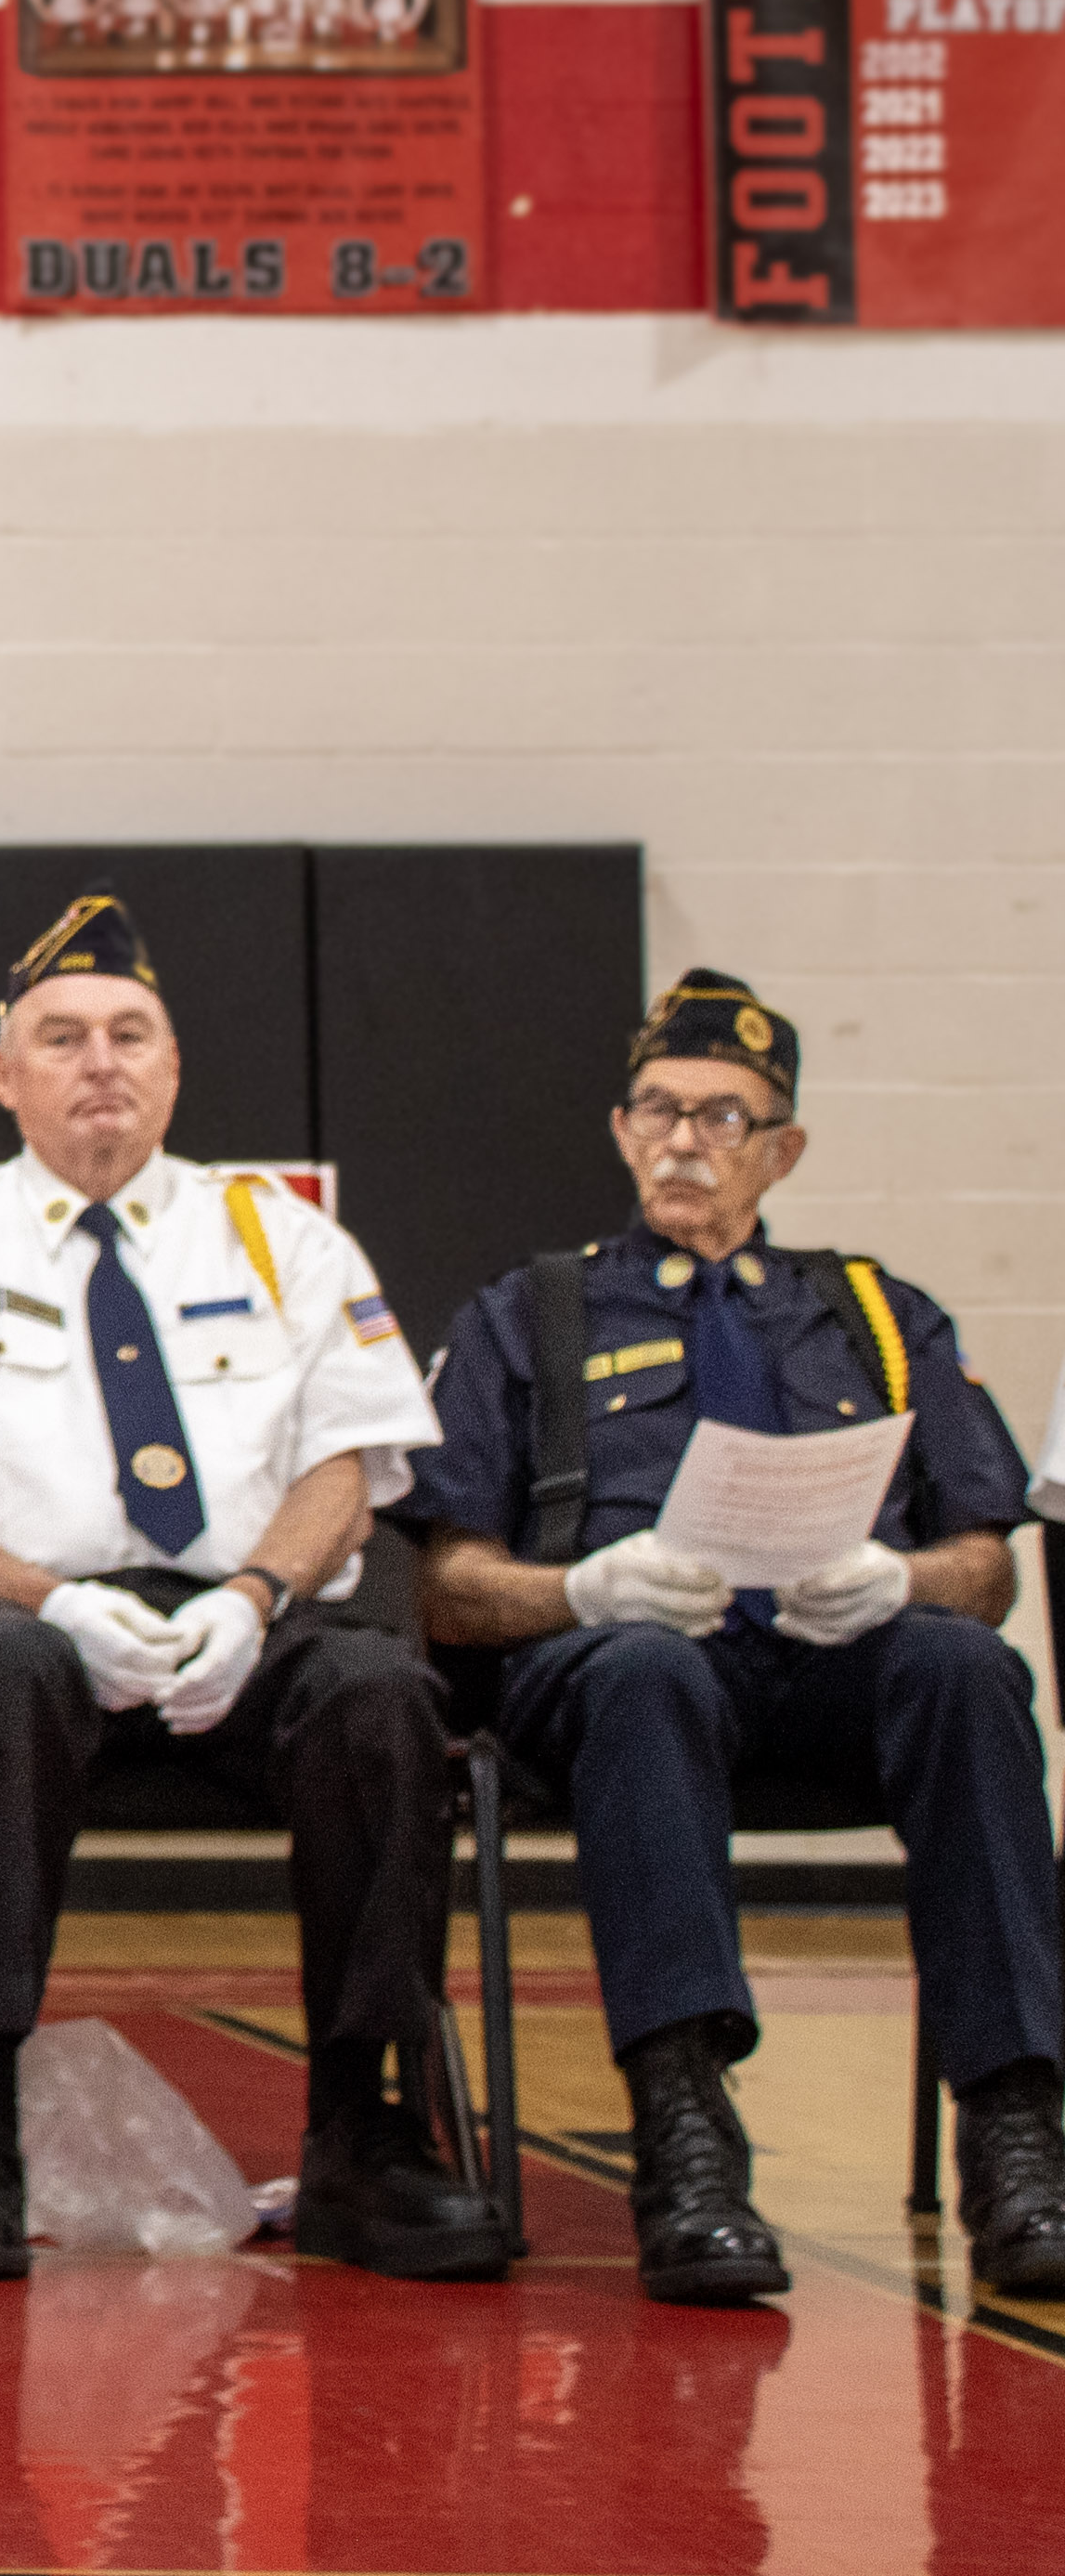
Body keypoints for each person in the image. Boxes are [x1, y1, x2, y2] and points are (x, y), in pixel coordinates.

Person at [0, 894, 503, 2281]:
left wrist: (258, 1597)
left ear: (172, 1066)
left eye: (129, 1033)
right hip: (8, 1622)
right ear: (7, 1076)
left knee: (378, 1694)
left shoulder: (283, 1239)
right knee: (6, 1669)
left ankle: (364, 2126)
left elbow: (349, 1465)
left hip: (239, 1626)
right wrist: (53, 1601)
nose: (99, 1059)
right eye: (62, 1036)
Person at [413, 970, 1060, 2307]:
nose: (684, 1141)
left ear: (784, 1149)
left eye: (723, 1116)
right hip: (621, 1662)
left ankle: (1014, 2130)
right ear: (619, 1125)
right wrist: (587, 1590)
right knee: (649, 1672)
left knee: (969, 1668)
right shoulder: (530, 1312)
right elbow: (452, 1587)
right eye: (658, 1109)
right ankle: (686, 2128)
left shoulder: (877, 1313)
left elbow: (986, 1564)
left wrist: (902, 1578)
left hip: (833, 1655)